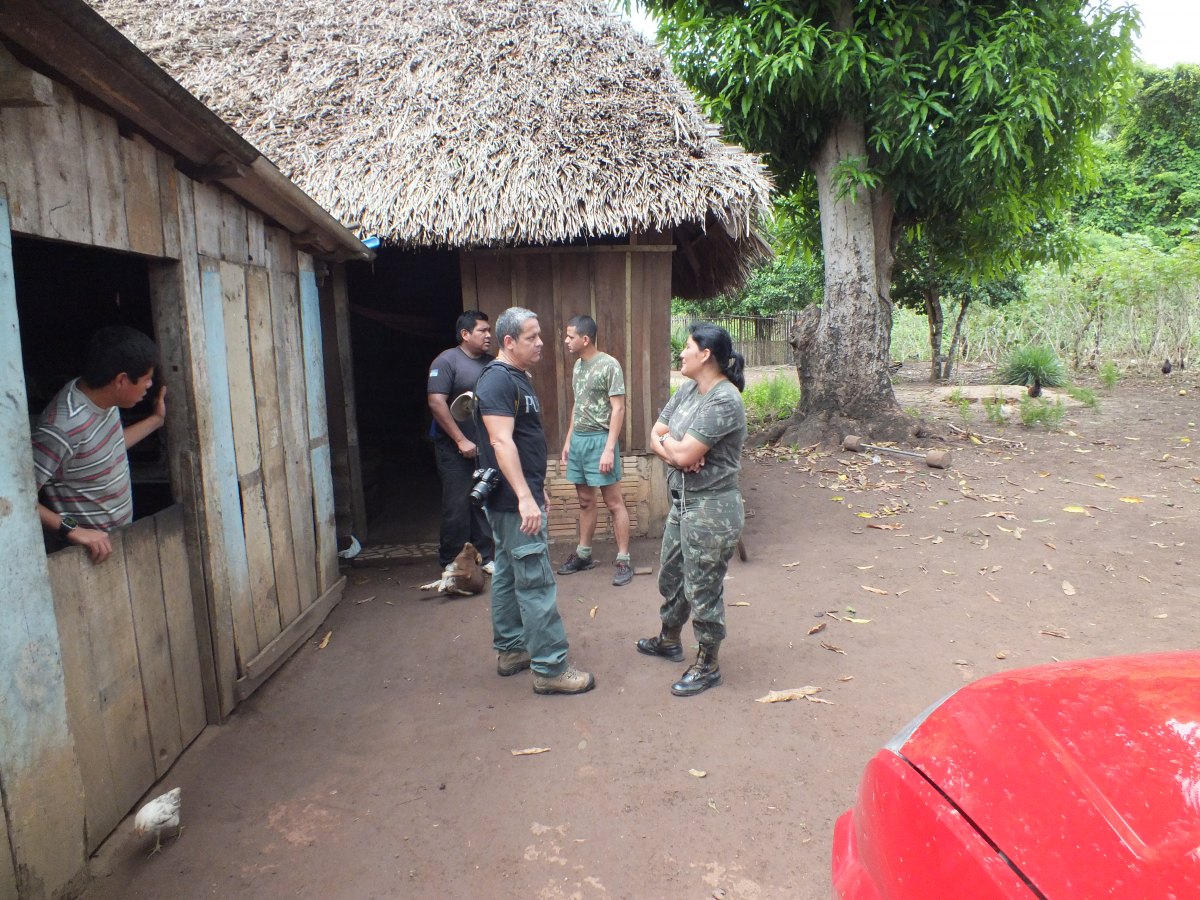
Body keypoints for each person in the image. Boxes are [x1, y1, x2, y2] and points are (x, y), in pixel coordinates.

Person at [473, 307, 595, 695]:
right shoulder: (497, 381)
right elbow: (500, 441)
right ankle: (550, 668)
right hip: (514, 503)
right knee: (536, 582)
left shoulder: (515, 378)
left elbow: (520, 442)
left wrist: (533, 485)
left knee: (509, 573)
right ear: (509, 342)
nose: (541, 342)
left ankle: (512, 650)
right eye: (532, 337)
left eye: (541, 335)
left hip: (516, 496)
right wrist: (525, 497)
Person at [637, 323, 746, 697]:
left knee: (703, 587)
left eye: (686, 347)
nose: (680, 353)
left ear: (705, 355)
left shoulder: (724, 399)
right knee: (671, 577)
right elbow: (654, 435)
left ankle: (708, 663)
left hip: (711, 509)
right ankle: (669, 639)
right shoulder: (687, 390)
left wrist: (679, 452)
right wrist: (678, 452)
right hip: (682, 504)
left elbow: (678, 450)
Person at [32, 325, 166, 565]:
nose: (149, 386)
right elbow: (20, 500)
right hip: (86, 556)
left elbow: (106, 449)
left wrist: (155, 421)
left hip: (117, 540)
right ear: (121, 380)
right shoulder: (61, 428)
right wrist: (73, 530)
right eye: (146, 379)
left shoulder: (103, 400)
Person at [556, 314, 634, 586]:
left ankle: (623, 559)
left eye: (570, 336)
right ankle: (583, 554)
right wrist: (568, 440)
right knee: (585, 501)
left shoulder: (609, 365)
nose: (566, 341)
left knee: (614, 502)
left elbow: (619, 408)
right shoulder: (578, 366)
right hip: (579, 440)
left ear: (585, 339)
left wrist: (608, 449)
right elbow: (578, 405)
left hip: (601, 440)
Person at [427, 310, 496, 574]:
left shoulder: (492, 363)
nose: (488, 335)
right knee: (457, 505)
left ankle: (485, 557)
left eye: (489, 330)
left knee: (482, 501)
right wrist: (460, 439)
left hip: (485, 447)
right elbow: (436, 402)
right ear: (465, 334)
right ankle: (451, 562)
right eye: (482, 330)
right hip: (454, 449)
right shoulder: (447, 361)